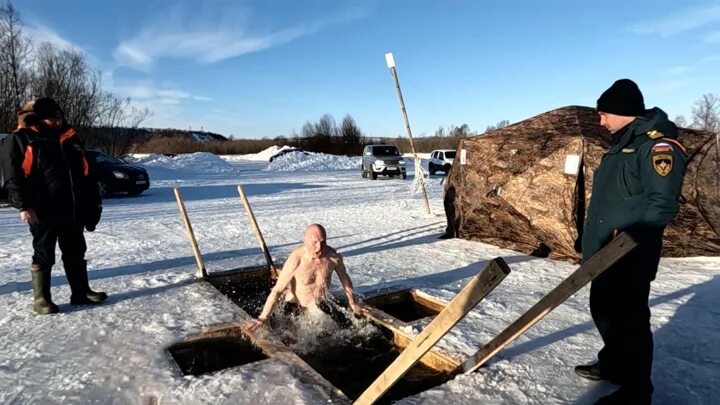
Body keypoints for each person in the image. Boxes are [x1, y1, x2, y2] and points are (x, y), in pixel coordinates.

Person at [575, 79, 686, 404]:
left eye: (604, 113)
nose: (601, 121)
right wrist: (590, 237)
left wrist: (627, 239)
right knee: (604, 311)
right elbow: (611, 200)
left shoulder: (657, 147)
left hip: (629, 254)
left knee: (630, 320)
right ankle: (614, 365)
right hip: (605, 252)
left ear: (623, 112)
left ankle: (637, 390)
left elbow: (661, 204)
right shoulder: (620, 144)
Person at [2, 98, 107, 315]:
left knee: (76, 251)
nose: (57, 122)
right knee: (44, 253)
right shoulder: (22, 139)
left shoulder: (70, 139)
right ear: (39, 118)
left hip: (72, 209)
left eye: (59, 117)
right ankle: (42, 301)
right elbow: (13, 177)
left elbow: (86, 175)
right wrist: (23, 206)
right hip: (42, 210)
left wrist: (92, 205)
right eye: (51, 118)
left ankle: (81, 292)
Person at [245, 224, 362, 330]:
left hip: (318, 307)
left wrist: (353, 302)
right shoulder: (296, 259)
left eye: (322, 242)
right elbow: (277, 290)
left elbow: (345, 279)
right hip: (295, 307)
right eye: (314, 242)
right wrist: (263, 318)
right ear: (305, 241)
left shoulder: (333, 257)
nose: (319, 248)